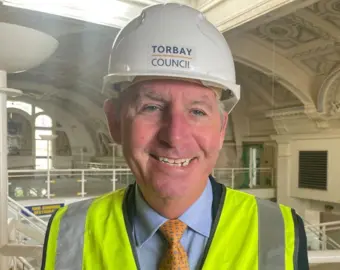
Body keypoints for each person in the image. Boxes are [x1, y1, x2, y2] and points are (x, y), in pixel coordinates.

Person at [40, 3, 309, 269]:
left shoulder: (278, 230)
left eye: (197, 111)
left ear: (221, 127)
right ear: (115, 121)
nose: (175, 137)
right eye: (152, 107)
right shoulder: (70, 230)